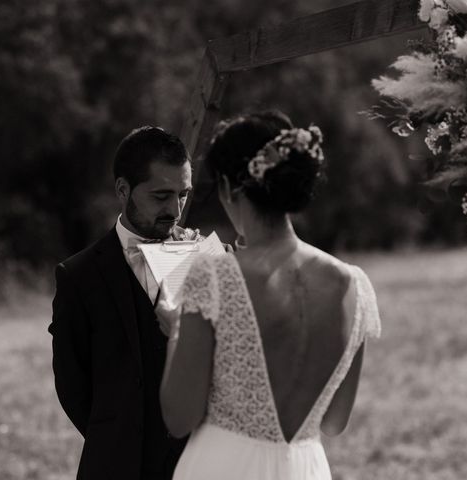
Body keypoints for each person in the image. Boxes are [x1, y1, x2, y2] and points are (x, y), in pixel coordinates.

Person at [157, 111, 381, 480]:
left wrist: (177, 328)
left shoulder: (214, 275)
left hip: (224, 467)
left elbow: (179, 418)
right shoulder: (353, 283)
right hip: (306, 468)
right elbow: (335, 421)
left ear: (230, 188)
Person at [49, 126, 196, 480]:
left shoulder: (204, 258)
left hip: (196, 464)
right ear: (122, 189)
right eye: (161, 196)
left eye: (183, 195)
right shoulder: (78, 276)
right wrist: (118, 437)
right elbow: (72, 384)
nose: (175, 210)